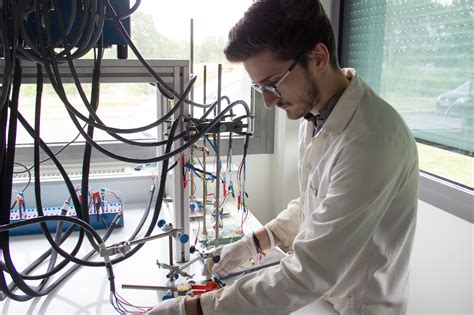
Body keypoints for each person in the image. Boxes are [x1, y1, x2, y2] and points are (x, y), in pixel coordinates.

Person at [149, 0, 419, 314]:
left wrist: (193, 310)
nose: (266, 102)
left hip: (357, 305)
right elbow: (313, 204)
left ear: (318, 57)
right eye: (258, 87)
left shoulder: (371, 141)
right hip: (322, 295)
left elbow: (310, 271)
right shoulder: (319, 115)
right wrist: (256, 242)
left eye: (273, 84)